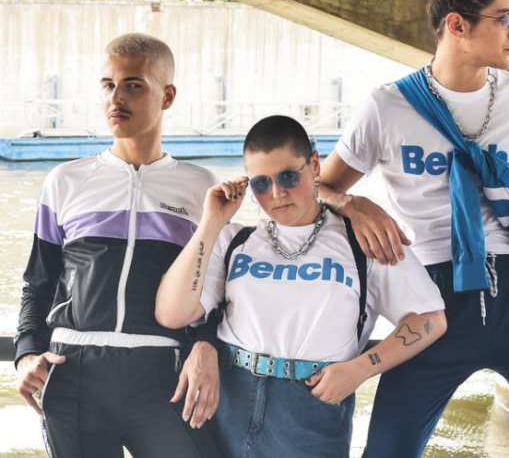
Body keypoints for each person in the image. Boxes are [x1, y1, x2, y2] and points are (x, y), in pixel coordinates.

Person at [318, 0, 509, 456]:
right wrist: (353, 202)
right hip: (431, 304)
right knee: (387, 450)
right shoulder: (387, 107)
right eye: (506, 18)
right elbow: (318, 188)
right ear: (457, 25)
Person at [154, 115, 447, 458]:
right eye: (261, 184)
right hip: (226, 400)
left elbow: (430, 319)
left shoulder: (363, 241)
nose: (277, 194)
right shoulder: (235, 240)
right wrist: (210, 223)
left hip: (311, 409)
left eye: (288, 177)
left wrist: (360, 370)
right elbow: (172, 313)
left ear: (314, 165)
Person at [14, 33, 222, 458]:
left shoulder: (201, 187)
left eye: (133, 85)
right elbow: (38, 283)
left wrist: (207, 344)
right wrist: (26, 355)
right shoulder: (65, 181)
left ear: (167, 96)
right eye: (108, 85)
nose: (116, 98)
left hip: (164, 376)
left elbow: (216, 290)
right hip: (73, 374)